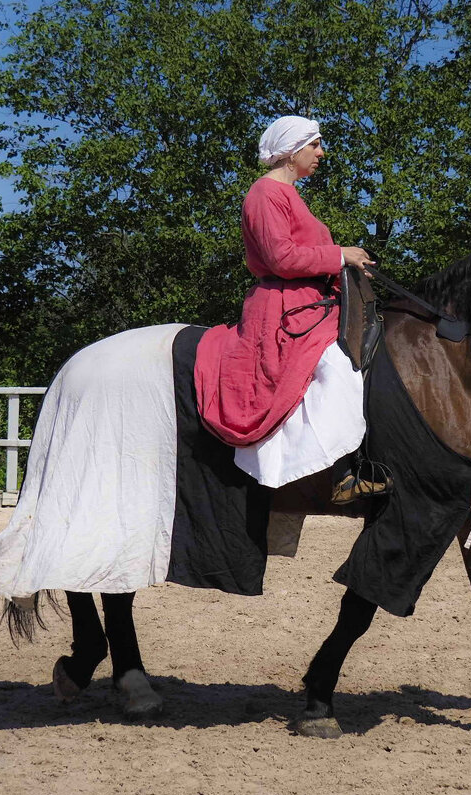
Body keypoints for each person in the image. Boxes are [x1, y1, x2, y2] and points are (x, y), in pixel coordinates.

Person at [194, 115, 389, 504]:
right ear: (292, 150)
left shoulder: (290, 194)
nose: (321, 152)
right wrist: (340, 255)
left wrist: (346, 262)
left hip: (311, 302)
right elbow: (281, 257)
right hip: (285, 308)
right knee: (336, 367)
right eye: (315, 145)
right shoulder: (265, 193)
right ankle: (340, 473)